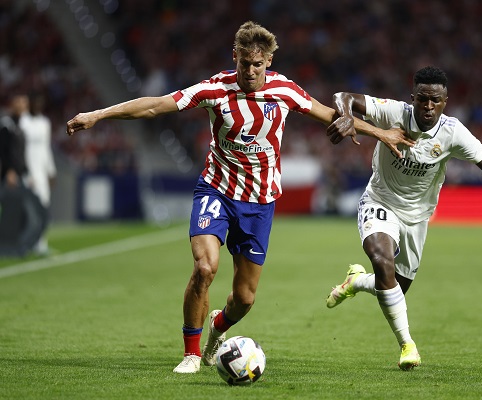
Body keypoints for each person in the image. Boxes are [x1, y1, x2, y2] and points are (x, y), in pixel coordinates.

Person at [66, 21, 413, 374]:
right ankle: (190, 353)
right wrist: (98, 114)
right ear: (235, 57)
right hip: (216, 189)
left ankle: (219, 327)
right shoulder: (215, 89)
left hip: (259, 203)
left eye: (257, 64)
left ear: (268, 62)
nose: (249, 71)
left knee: (244, 300)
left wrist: (380, 132)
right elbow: (156, 105)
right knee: (205, 269)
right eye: (244, 63)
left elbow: (332, 115)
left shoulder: (284, 90)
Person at [324, 66, 482, 370]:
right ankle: (407, 345)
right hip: (379, 201)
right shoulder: (393, 112)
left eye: (435, 100)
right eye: (422, 99)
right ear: (413, 98)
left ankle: (356, 282)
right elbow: (343, 96)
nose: (428, 106)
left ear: (445, 101)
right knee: (382, 261)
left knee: (394, 286)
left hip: (417, 217)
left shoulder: (453, 132)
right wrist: (345, 114)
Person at [19, 93, 57, 255]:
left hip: (41, 172)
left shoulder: (44, 123)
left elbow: (47, 149)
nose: (38, 106)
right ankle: (25, 243)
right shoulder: (22, 122)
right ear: (31, 103)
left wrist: (51, 171)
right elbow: (19, 149)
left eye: (41, 103)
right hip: (27, 172)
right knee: (26, 209)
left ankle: (41, 244)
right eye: (36, 102)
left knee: (43, 207)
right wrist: (24, 171)